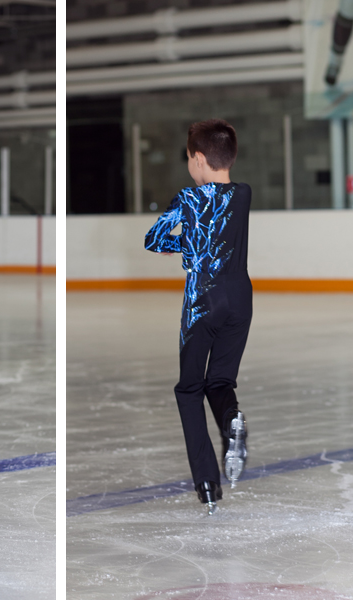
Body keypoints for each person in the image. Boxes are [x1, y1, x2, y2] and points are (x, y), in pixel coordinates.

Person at [144, 119, 251, 516]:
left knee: (190, 389)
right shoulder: (244, 193)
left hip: (202, 301)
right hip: (240, 298)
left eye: (189, 158)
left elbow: (153, 239)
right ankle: (231, 418)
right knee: (220, 381)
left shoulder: (187, 198)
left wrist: (183, 244)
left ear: (199, 159)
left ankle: (207, 484)